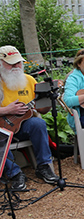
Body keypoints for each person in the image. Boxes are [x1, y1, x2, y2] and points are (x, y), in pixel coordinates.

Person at [0, 46, 58, 189]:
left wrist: (49, 99)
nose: (16, 66)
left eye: (18, 62)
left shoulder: (29, 80)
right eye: (11, 63)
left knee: (38, 123)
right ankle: (15, 173)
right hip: (2, 128)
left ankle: (43, 166)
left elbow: (42, 110)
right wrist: (7, 110)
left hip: (22, 125)